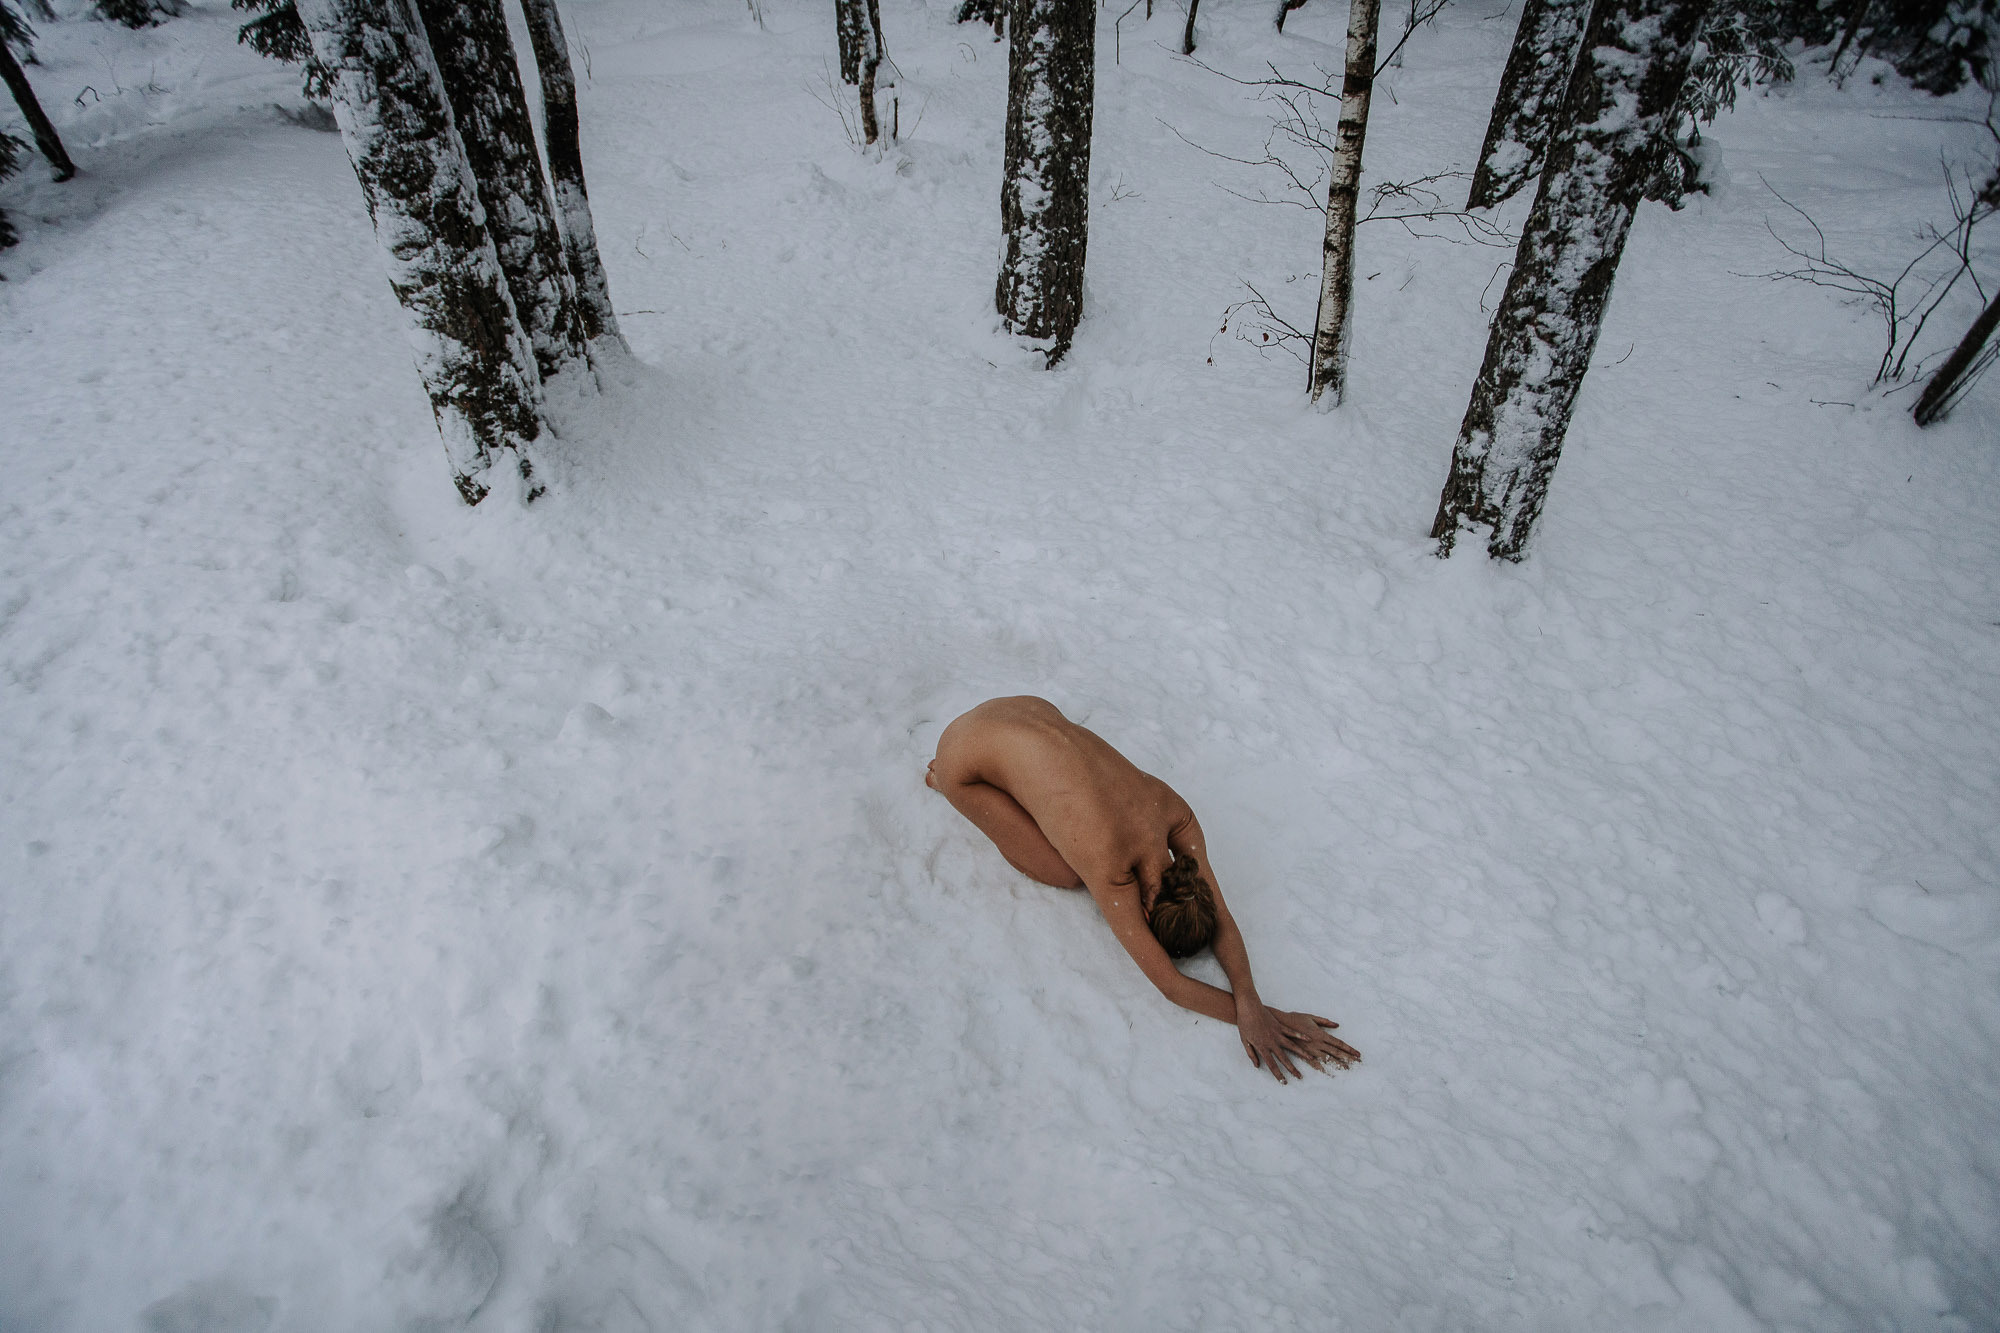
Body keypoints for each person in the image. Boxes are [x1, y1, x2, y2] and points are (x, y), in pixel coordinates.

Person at [926, 696, 1360, 1083]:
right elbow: (1171, 985)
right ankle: (950, 781)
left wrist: (1251, 1003)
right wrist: (1265, 1016)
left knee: (1067, 801)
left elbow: (1221, 917)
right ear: (1147, 912)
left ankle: (997, 768)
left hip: (1026, 705)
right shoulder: (1110, 868)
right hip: (960, 753)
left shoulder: (1174, 814)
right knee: (1064, 872)